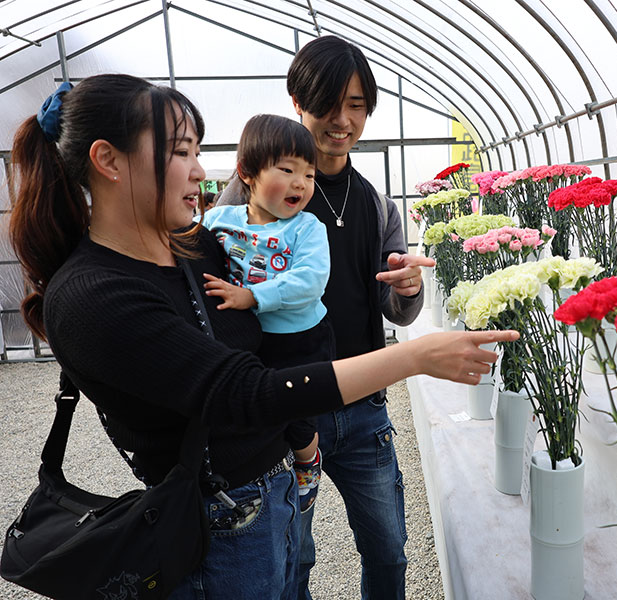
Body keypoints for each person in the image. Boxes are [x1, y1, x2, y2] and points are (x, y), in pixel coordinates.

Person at [8, 74, 516, 600]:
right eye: (181, 152)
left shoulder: (197, 248)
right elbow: (244, 391)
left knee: (368, 553)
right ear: (109, 161)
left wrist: (300, 438)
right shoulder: (94, 296)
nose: (200, 171)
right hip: (219, 528)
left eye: (198, 151)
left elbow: (271, 336)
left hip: (274, 489)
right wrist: (414, 357)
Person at [218, 35, 434, 599]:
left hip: (363, 408)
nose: (342, 120)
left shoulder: (375, 202)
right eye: (329, 104)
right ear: (298, 99)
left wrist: (408, 287)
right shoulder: (248, 197)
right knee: (292, 555)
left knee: (388, 547)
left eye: (357, 106)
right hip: (285, 407)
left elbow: (395, 310)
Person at [198, 114, 332, 512]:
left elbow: (311, 280)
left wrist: (252, 297)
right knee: (259, 409)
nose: (300, 183)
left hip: (299, 340)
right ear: (247, 173)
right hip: (248, 338)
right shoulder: (218, 221)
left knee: (298, 415)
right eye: (287, 169)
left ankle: (309, 460)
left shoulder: (307, 228)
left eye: (309, 175)